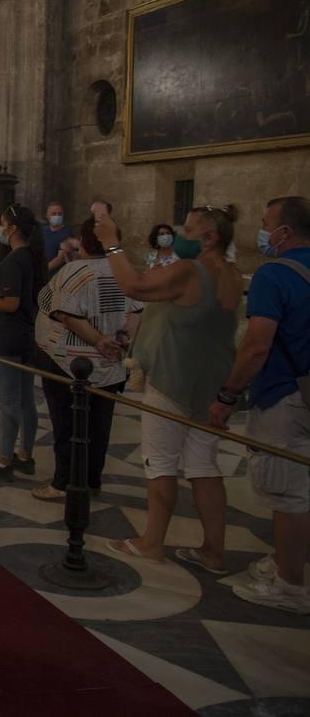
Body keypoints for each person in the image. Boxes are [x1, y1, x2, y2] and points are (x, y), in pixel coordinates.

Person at [97, 204, 242, 571]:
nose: (179, 236)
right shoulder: (232, 273)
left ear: (209, 238)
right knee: (203, 465)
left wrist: (112, 243)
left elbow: (134, 286)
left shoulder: (191, 269)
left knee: (160, 462)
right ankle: (213, 551)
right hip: (211, 382)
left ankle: (152, 543)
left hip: (173, 379)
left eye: (188, 231)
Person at [206, 196, 310, 613]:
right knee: (303, 484)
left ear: (284, 231)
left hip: (285, 393)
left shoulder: (274, 274)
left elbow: (256, 344)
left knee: (287, 491)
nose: (262, 231)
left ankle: (290, 584)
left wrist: (227, 394)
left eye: (267, 223)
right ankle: (291, 561)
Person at [31, 217, 142, 500]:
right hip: (111, 363)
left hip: (69, 362)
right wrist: (122, 340)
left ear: (83, 239)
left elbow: (64, 313)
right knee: (100, 424)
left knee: (66, 423)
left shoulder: (73, 271)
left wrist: (97, 340)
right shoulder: (123, 272)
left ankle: (63, 482)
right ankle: (92, 479)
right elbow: (136, 311)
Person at [0, 203, 47, 481]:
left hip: (7, 337)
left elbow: (11, 302)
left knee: (8, 402)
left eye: (2, 223)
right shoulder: (33, 257)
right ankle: (25, 454)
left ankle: (4, 459)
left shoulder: (15, 259)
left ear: (13, 228)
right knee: (26, 400)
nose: (0, 229)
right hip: (27, 335)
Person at [43, 201, 73, 265]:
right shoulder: (42, 231)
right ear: (47, 215)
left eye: (60, 214)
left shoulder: (66, 233)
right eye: (54, 214)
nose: (57, 216)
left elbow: (60, 259)